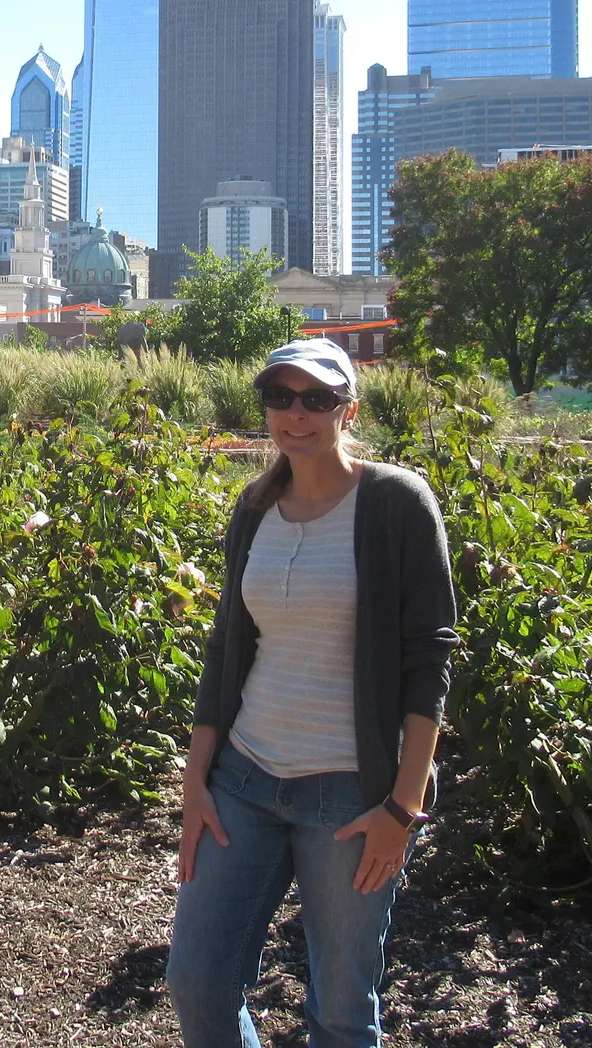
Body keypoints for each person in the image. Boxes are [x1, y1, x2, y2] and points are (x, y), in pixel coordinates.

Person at [167, 337, 459, 1048]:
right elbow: (226, 648)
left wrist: (403, 807)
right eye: (280, 396)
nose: (296, 413)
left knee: (340, 1012)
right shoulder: (255, 507)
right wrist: (196, 780)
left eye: (317, 398)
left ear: (347, 410)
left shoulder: (394, 502)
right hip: (243, 781)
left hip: (352, 797)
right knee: (197, 983)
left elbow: (430, 661)